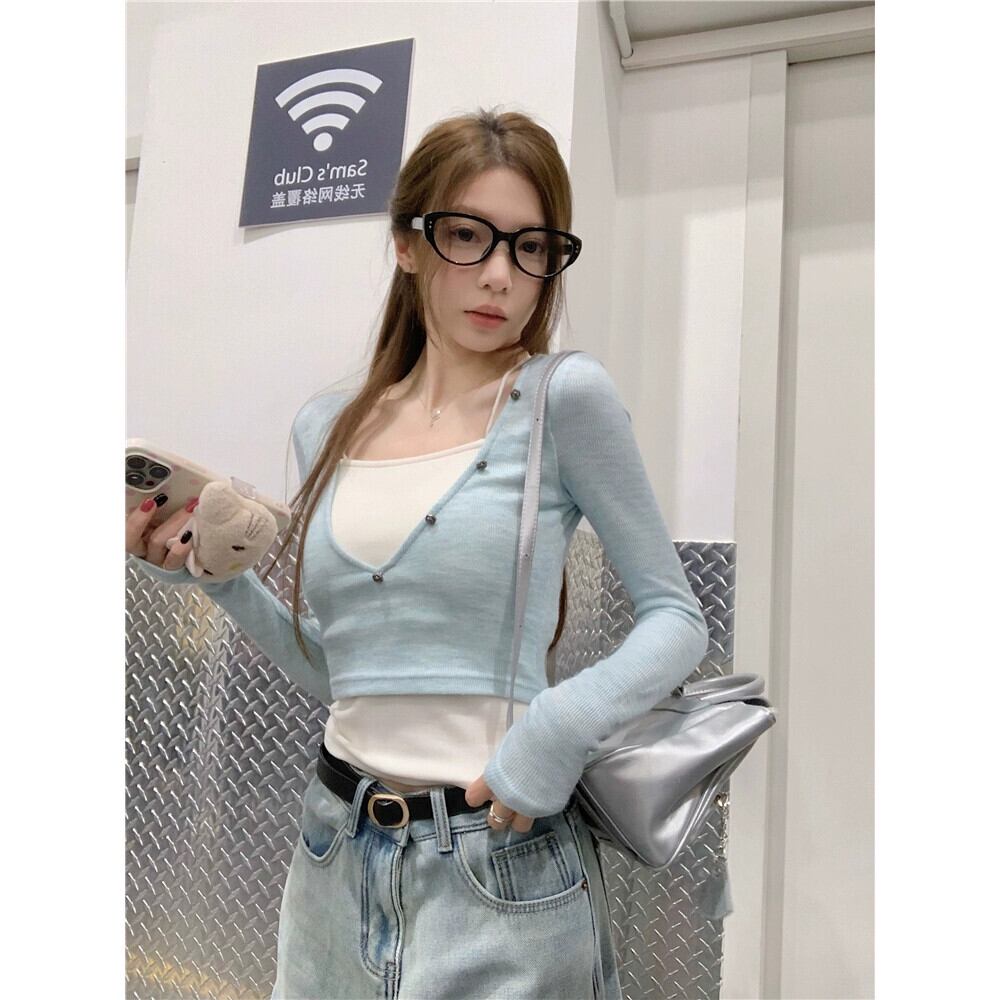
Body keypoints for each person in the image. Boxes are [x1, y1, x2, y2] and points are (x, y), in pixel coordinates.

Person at [126, 106, 708, 1000]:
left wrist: (557, 729)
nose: (501, 275)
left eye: (532, 248)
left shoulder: (564, 399)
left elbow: (676, 618)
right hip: (334, 850)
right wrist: (216, 580)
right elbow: (345, 677)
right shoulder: (327, 423)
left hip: (499, 863)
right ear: (407, 243)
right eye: (468, 236)